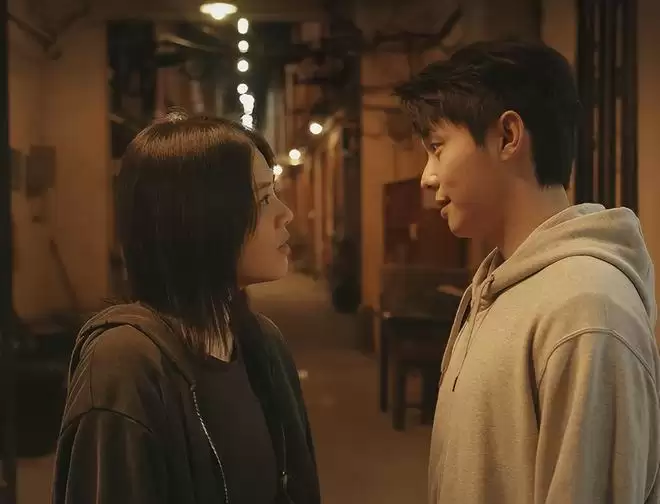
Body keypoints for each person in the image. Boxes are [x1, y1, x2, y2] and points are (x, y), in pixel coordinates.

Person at [394, 40, 660, 503]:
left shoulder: (586, 311)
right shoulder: (499, 285)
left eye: (437, 147)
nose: (427, 176)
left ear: (508, 136)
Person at [51, 111, 321, 504]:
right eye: (263, 198)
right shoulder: (124, 366)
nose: (286, 213)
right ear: (200, 217)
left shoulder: (263, 343)